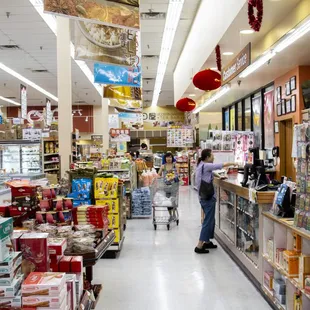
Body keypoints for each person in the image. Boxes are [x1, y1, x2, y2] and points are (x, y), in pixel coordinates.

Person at [195, 149, 235, 254]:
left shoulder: (201, 165)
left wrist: (219, 177)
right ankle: (199, 246)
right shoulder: (206, 165)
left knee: (210, 220)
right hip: (207, 198)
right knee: (208, 221)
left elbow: (209, 175)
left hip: (203, 197)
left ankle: (207, 241)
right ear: (207, 157)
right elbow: (220, 165)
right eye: (212, 155)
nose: (213, 157)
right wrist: (234, 163)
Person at [158, 152, 179, 221]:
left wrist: (173, 176)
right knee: (168, 201)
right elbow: (159, 174)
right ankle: (170, 215)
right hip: (166, 186)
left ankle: (174, 214)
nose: (168, 158)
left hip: (174, 186)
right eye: (167, 157)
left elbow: (178, 174)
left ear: (172, 158)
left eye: (170, 157)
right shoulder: (163, 166)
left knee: (173, 201)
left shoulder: (175, 165)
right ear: (165, 158)